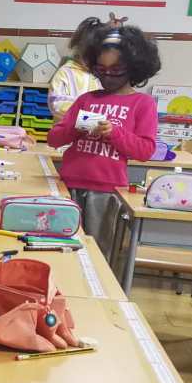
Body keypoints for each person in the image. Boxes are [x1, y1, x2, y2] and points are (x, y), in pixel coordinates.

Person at [47, 24, 160, 254]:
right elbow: (54, 139)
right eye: (101, 69)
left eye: (116, 70)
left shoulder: (143, 103)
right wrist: (77, 128)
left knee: (98, 253)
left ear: (133, 68)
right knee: (62, 248)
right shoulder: (86, 99)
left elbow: (145, 150)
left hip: (106, 192)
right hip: (68, 186)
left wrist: (114, 132)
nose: (107, 76)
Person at [48, 17, 103, 122]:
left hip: (96, 130)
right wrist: (91, 119)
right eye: (88, 56)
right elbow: (56, 104)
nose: (92, 60)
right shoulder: (66, 72)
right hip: (67, 130)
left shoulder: (101, 75)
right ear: (78, 50)